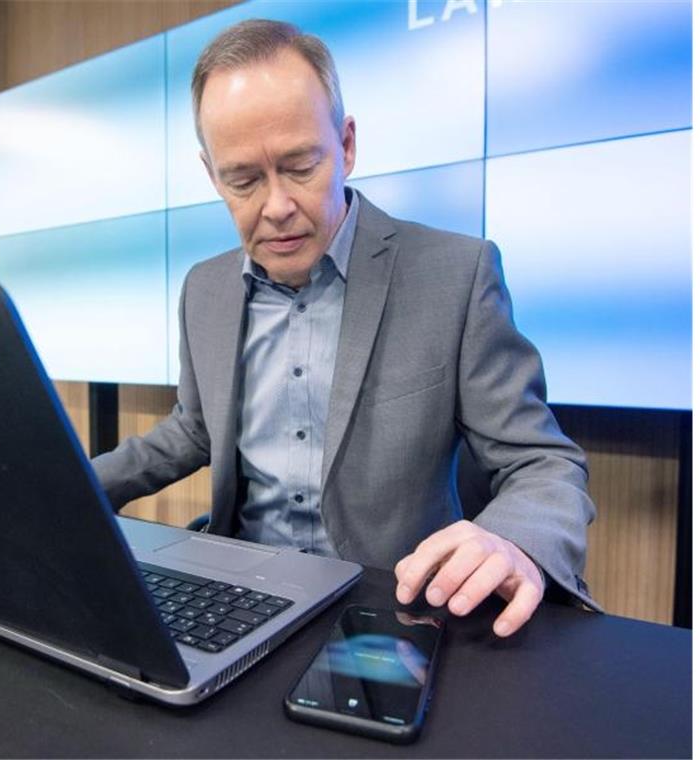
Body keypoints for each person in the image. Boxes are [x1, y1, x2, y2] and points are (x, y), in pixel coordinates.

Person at [91, 19, 597, 637]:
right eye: (243, 180)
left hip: (393, 607)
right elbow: (194, 429)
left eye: (301, 166)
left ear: (347, 144)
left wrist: (511, 540)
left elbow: (541, 461)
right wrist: (76, 484)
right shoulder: (205, 287)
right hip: (237, 597)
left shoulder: (455, 275)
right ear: (211, 174)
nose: (276, 207)